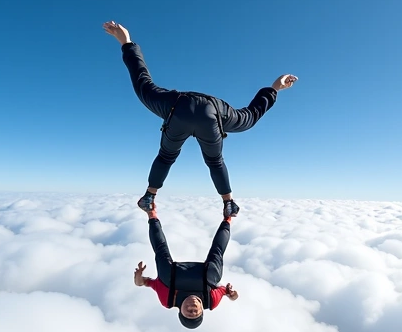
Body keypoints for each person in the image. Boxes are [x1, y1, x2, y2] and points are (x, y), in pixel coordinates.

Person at [104, 20, 297, 218]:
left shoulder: (165, 103)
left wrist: (126, 42)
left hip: (176, 107)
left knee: (166, 156)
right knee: (215, 161)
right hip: (215, 113)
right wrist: (274, 88)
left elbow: (141, 78)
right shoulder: (224, 114)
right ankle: (228, 203)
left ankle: (149, 197)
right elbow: (250, 116)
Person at [133, 203, 239, 329]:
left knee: (162, 258)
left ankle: (151, 214)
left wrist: (138, 280)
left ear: (180, 311)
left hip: (173, 275)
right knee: (217, 255)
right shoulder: (212, 301)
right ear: (202, 310)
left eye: (188, 312)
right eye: (196, 312)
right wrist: (233, 295)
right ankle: (228, 218)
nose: (192, 307)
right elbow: (226, 292)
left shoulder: (167, 299)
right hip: (205, 276)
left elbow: (146, 283)